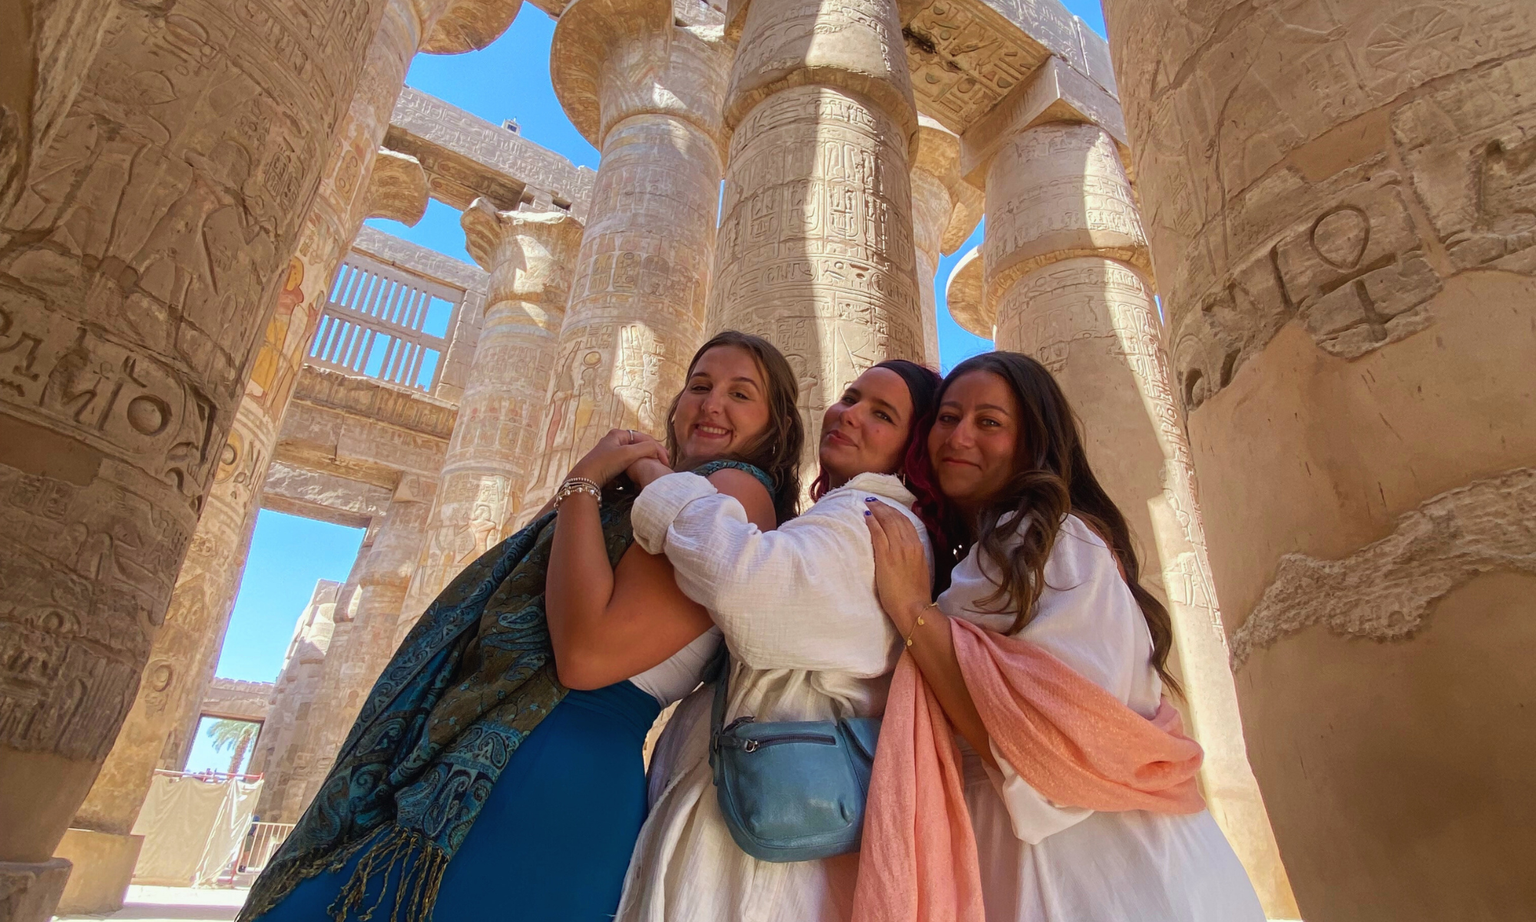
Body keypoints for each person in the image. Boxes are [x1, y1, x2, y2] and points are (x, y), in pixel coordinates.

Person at [238, 331, 803, 922]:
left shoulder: (734, 491)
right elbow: (522, 568)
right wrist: (603, 482)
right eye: (700, 385)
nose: (712, 404)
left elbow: (586, 654)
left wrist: (584, 480)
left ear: (776, 427)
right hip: (521, 754)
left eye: (741, 394)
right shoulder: (652, 491)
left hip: (546, 764)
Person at [855, 351, 1264, 922]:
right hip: (1049, 856)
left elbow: (1047, 743)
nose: (959, 436)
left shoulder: (1054, 541)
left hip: (1101, 871)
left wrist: (911, 609)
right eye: (947, 418)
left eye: (989, 422)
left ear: (1033, 444)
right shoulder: (994, 553)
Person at [615, 359, 943, 922]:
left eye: (882, 414)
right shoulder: (850, 515)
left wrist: (659, 481)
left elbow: (751, 590)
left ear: (913, 450)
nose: (850, 415)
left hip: (758, 854)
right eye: (851, 396)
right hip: (750, 821)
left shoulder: (878, 521)